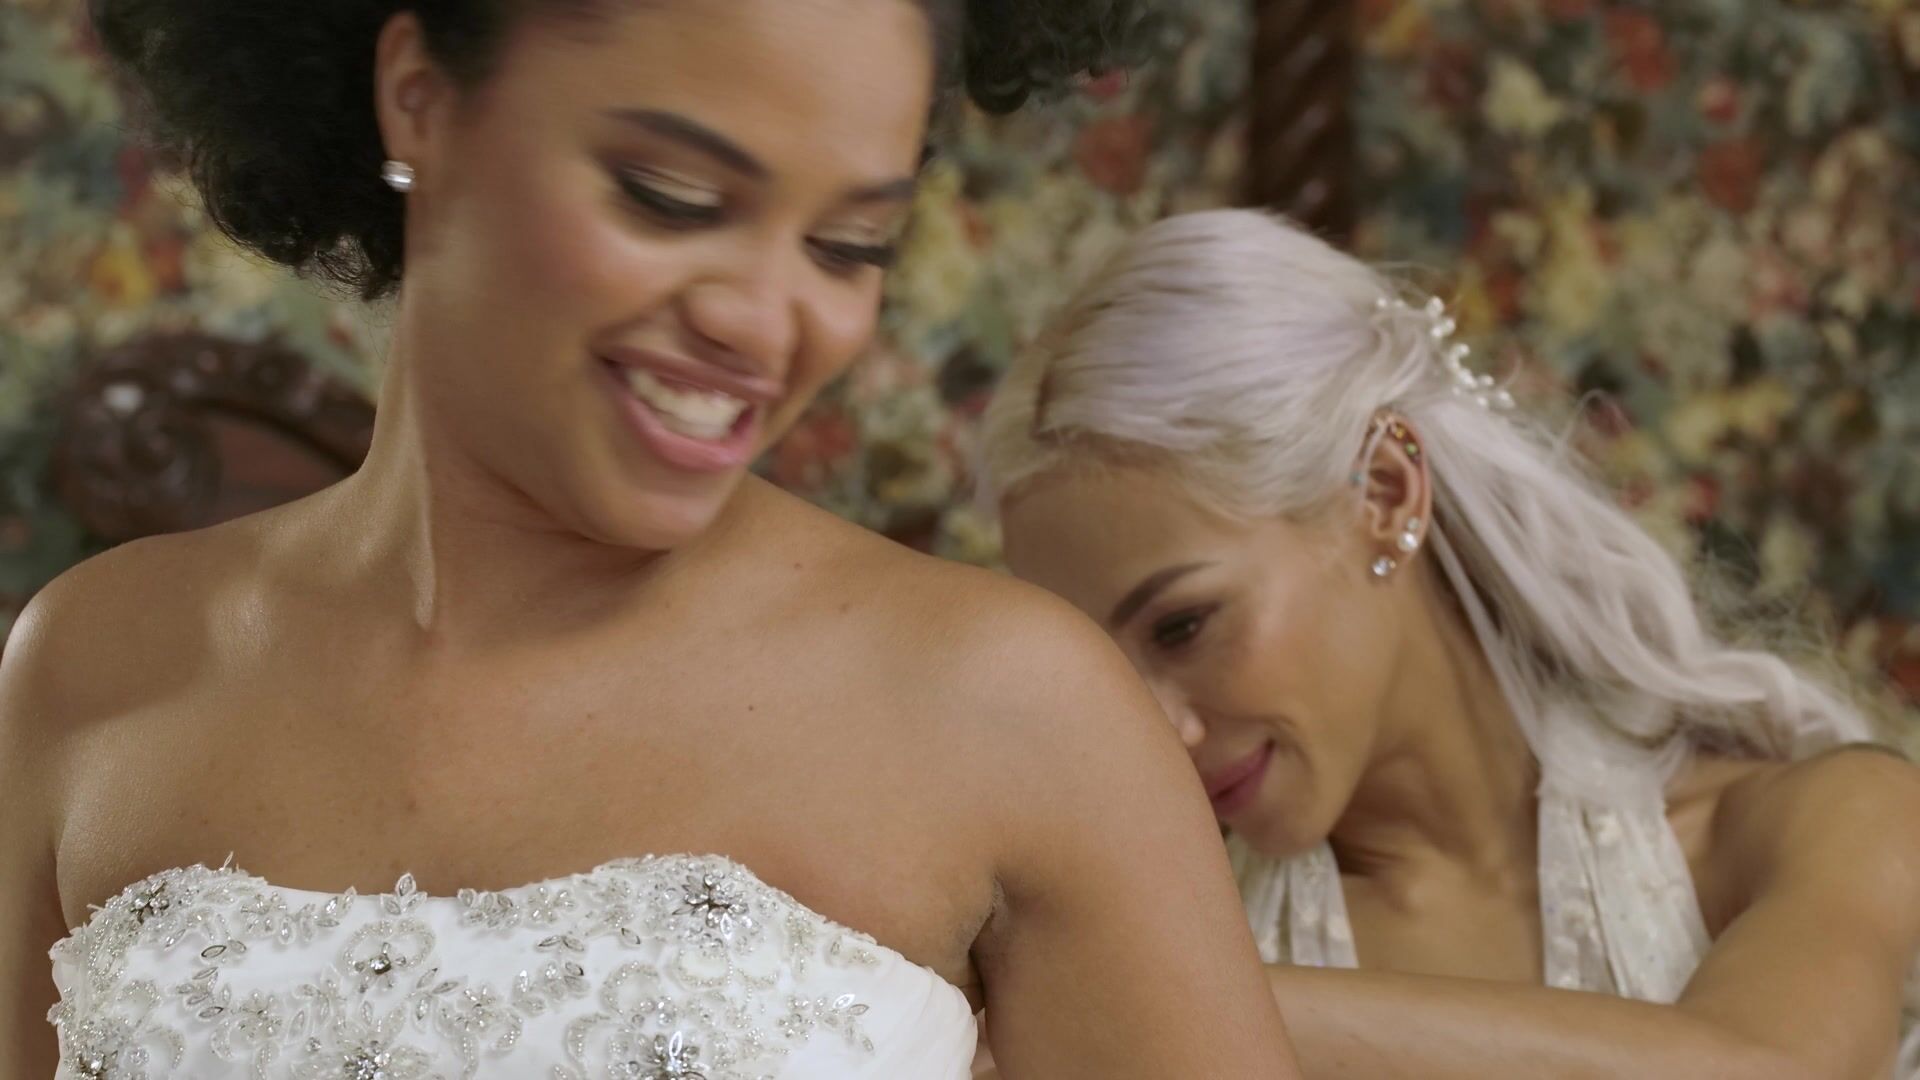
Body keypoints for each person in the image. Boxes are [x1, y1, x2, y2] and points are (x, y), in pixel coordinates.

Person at [0, 8, 1302, 1078]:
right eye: (670, 198)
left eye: (850, 245)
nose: (765, 322)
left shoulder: (1014, 709)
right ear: (419, 98)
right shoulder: (94, 663)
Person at [983, 208, 1920, 1078]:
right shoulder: (1169, 929)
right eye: (1102, 676)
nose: (1159, 732)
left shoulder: (1826, 817)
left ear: (1387, 492)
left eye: (1183, 625)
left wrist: (1139, 1006)